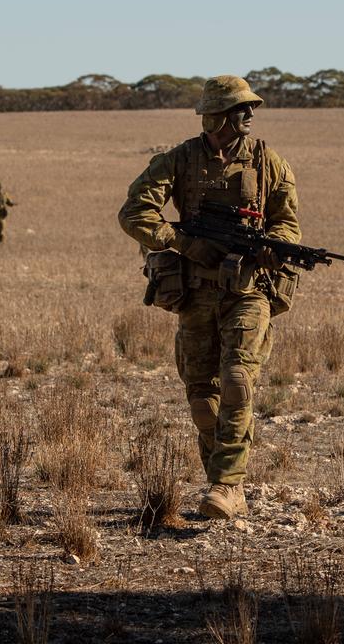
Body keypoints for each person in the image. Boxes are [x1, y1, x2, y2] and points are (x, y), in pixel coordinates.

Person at [118, 75, 301, 520]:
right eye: (242, 110)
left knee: (238, 380)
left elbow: (288, 225)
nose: (250, 116)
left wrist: (268, 246)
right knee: (203, 396)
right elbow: (134, 214)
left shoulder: (269, 162)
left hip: (247, 291)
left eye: (251, 109)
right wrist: (183, 243)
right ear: (218, 114)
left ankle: (227, 485)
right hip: (195, 292)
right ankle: (219, 481)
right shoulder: (179, 160)